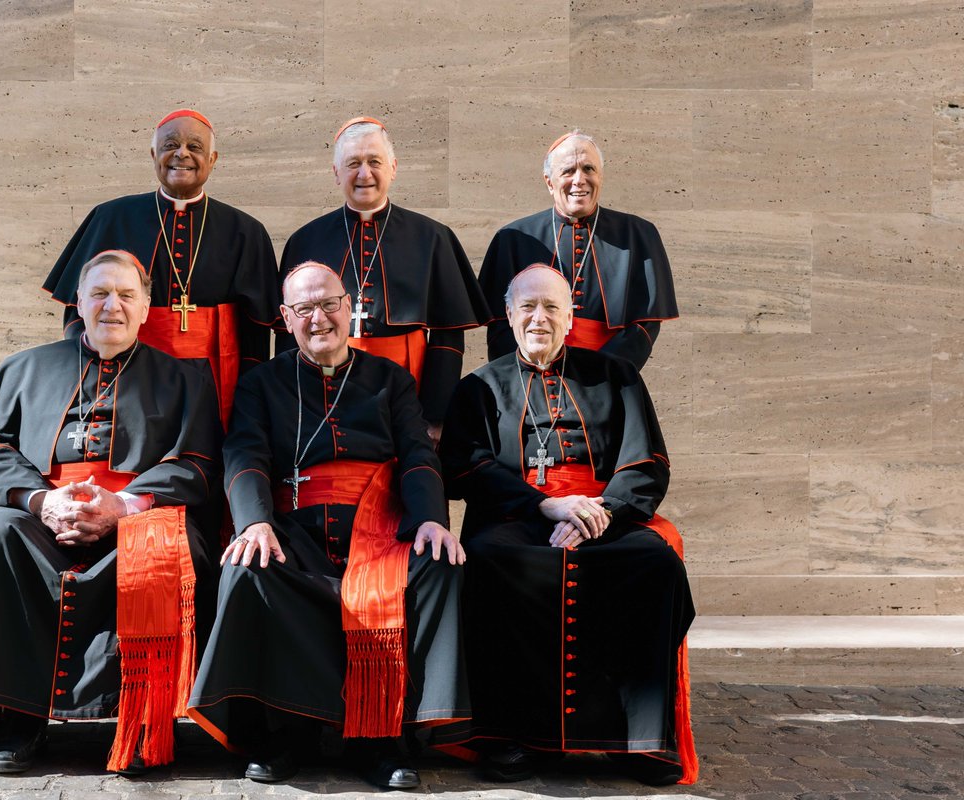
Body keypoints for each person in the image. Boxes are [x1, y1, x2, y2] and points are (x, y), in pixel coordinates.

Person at [0, 251, 223, 776]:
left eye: (126, 295)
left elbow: (199, 464)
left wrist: (123, 505)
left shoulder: (185, 378)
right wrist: (42, 501)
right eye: (100, 293)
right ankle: (17, 718)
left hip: (137, 519)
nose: (112, 306)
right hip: (43, 519)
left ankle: (142, 721)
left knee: (170, 544)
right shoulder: (25, 367)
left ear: (146, 308)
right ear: (78, 302)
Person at [187, 262, 469, 789]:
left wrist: (430, 520)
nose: (319, 318)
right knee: (250, 570)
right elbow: (245, 455)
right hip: (295, 531)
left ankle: (382, 738)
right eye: (304, 308)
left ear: (349, 306)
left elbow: (417, 455)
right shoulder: (261, 383)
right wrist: (254, 524)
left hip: (381, 529)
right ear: (285, 318)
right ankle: (284, 736)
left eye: (328, 304)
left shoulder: (390, 380)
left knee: (437, 565)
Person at [437, 266, 697, 786]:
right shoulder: (479, 387)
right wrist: (543, 505)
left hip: (601, 513)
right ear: (508, 316)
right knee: (489, 560)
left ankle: (637, 740)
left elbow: (646, 462)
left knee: (653, 562)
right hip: (516, 515)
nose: (539, 318)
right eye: (528, 307)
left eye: (552, 307)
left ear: (570, 316)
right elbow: (465, 467)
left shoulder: (617, 376)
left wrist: (602, 511)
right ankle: (513, 736)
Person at [42, 108, 279, 426]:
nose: (182, 154)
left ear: (212, 159)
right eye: (170, 145)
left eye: (195, 146)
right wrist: (91, 377)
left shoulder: (245, 231)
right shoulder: (111, 218)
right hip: (127, 375)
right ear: (154, 155)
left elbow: (256, 334)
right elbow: (78, 314)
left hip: (215, 384)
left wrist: (247, 403)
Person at [278, 117, 489, 444]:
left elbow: (448, 337)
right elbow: (289, 335)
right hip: (323, 392)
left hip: (407, 391)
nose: (364, 174)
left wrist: (434, 416)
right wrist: (294, 407)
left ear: (393, 168)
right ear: (336, 173)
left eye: (374, 162)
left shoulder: (432, 237)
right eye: (353, 164)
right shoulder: (306, 240)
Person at [478, 130, 678, 369]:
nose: (579, 179)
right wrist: (530, 369)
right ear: (549, 182)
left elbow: (644, 325)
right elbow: (501, 324)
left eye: (588, 169)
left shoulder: (638, 234)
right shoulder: (512, 238)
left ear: (600, 176)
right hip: (532, 375)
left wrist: (604, 372)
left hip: (608, 375)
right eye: (568, 171)